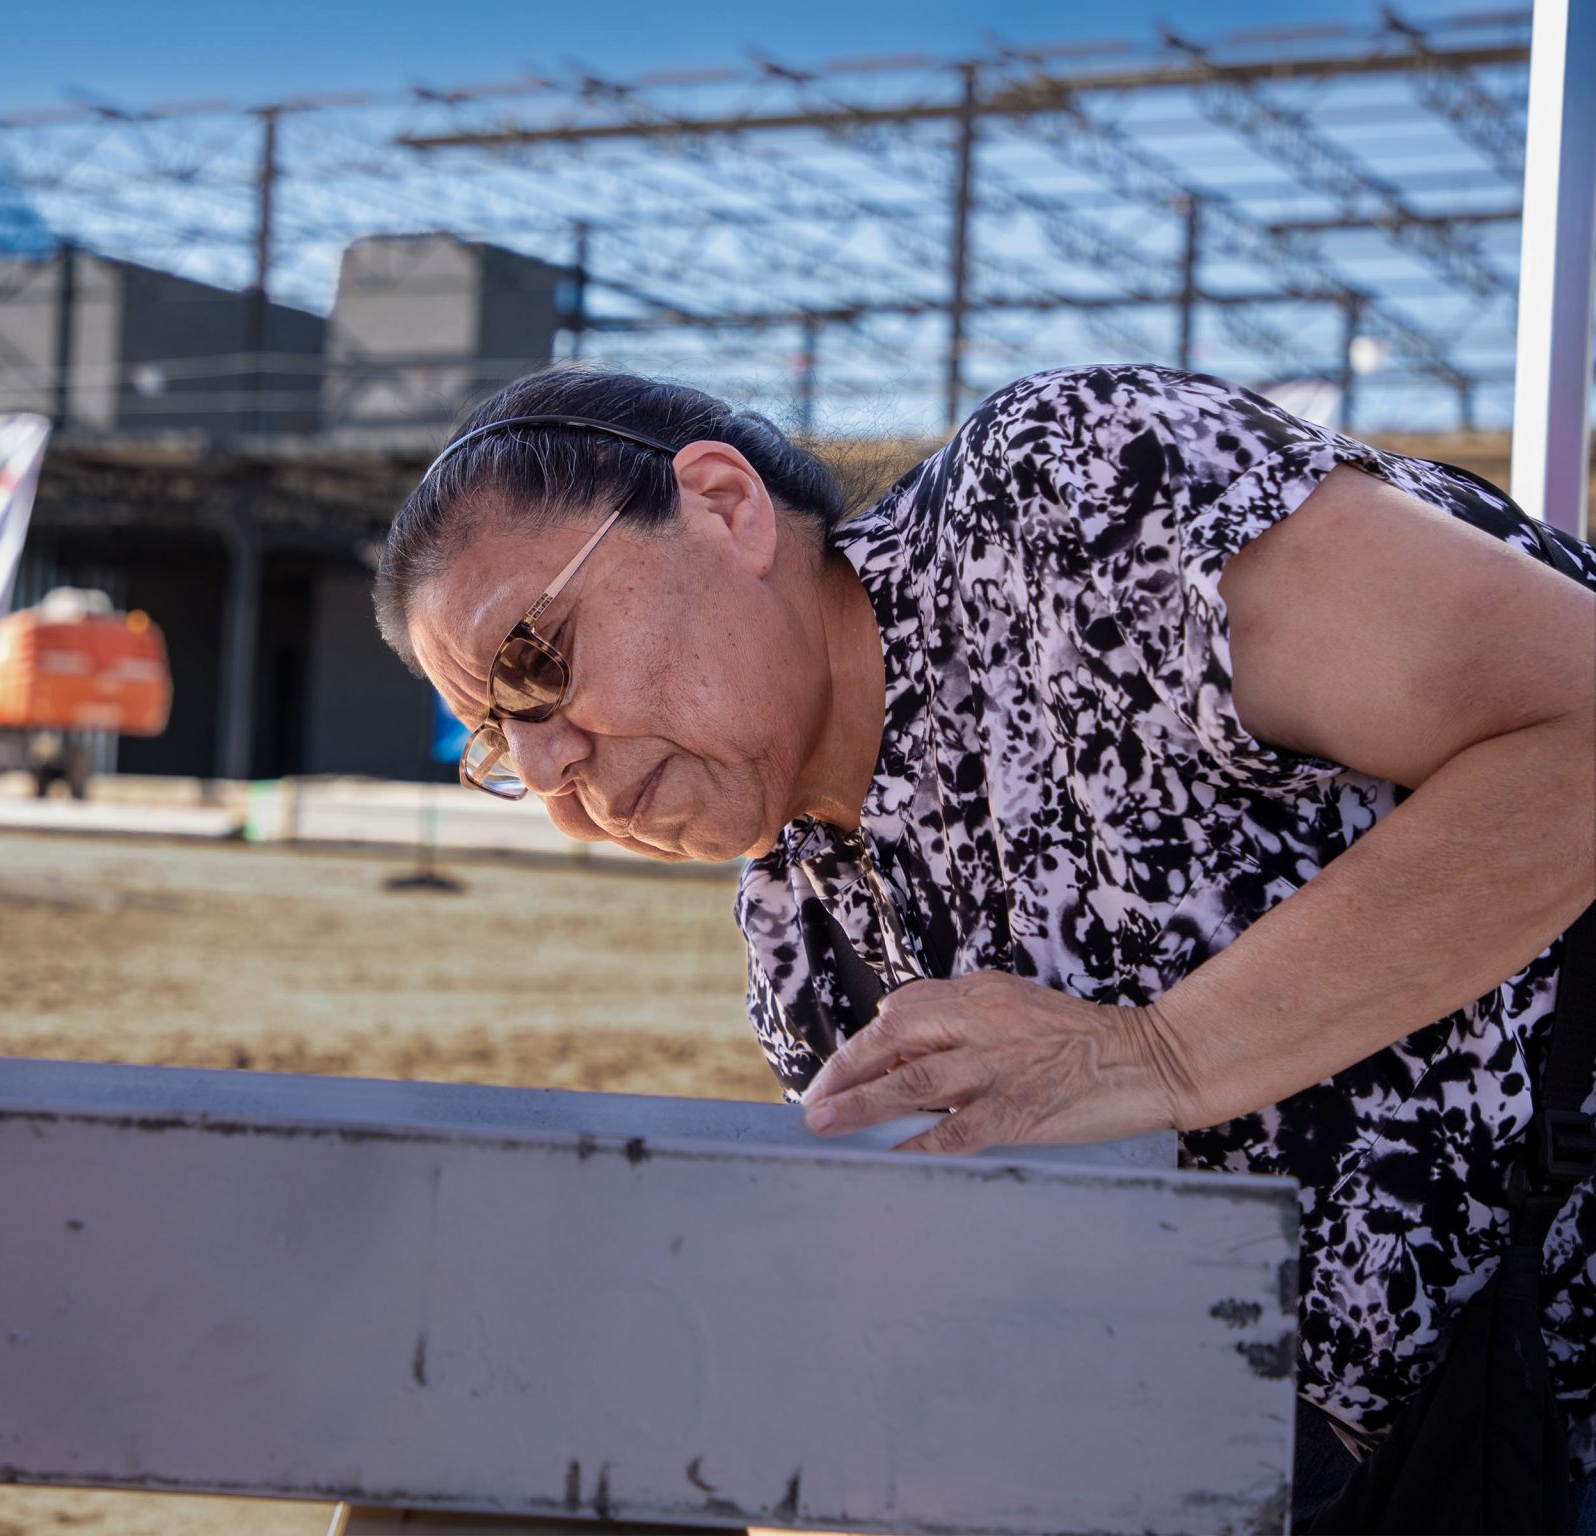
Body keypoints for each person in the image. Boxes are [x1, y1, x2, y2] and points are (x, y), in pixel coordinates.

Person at [373, 361, 1596, 1520]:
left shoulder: (1068, 501)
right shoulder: (800, 946)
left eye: (534, 663)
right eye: (494, 742)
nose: (545, 768)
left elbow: (1577, 721)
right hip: (1408, 1470)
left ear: (724, 507)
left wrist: (1164, 1056)